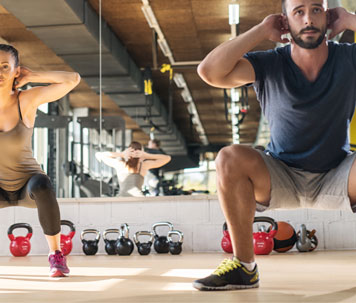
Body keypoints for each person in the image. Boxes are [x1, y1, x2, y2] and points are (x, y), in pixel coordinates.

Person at [193, 0, 356, 291]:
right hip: (281, 175)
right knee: (229, 158)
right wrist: (259, 31)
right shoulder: (269, 62)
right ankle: (244, 267)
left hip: (337, 174)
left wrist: (350, 20)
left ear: (328, 15)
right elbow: (209, 72)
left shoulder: (349, 58)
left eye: (316, 9)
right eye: (299, 11)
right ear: (285, 21)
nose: (308, 18)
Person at [0, 44, 80, 278]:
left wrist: (33, 76)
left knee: (42, 184)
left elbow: (72, 79)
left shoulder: (26, 100)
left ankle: (56, 256)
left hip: (28, 187)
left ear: (15, 71)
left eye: (4, 67)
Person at [95, 141, 171, 197]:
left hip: (121, 200)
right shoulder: (143, 166)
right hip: (138, 199)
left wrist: (121, 154)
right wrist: (147, 155)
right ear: (142, 152)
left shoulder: (120, 164)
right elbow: (167, 158)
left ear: (128, 151)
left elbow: (98, 155)